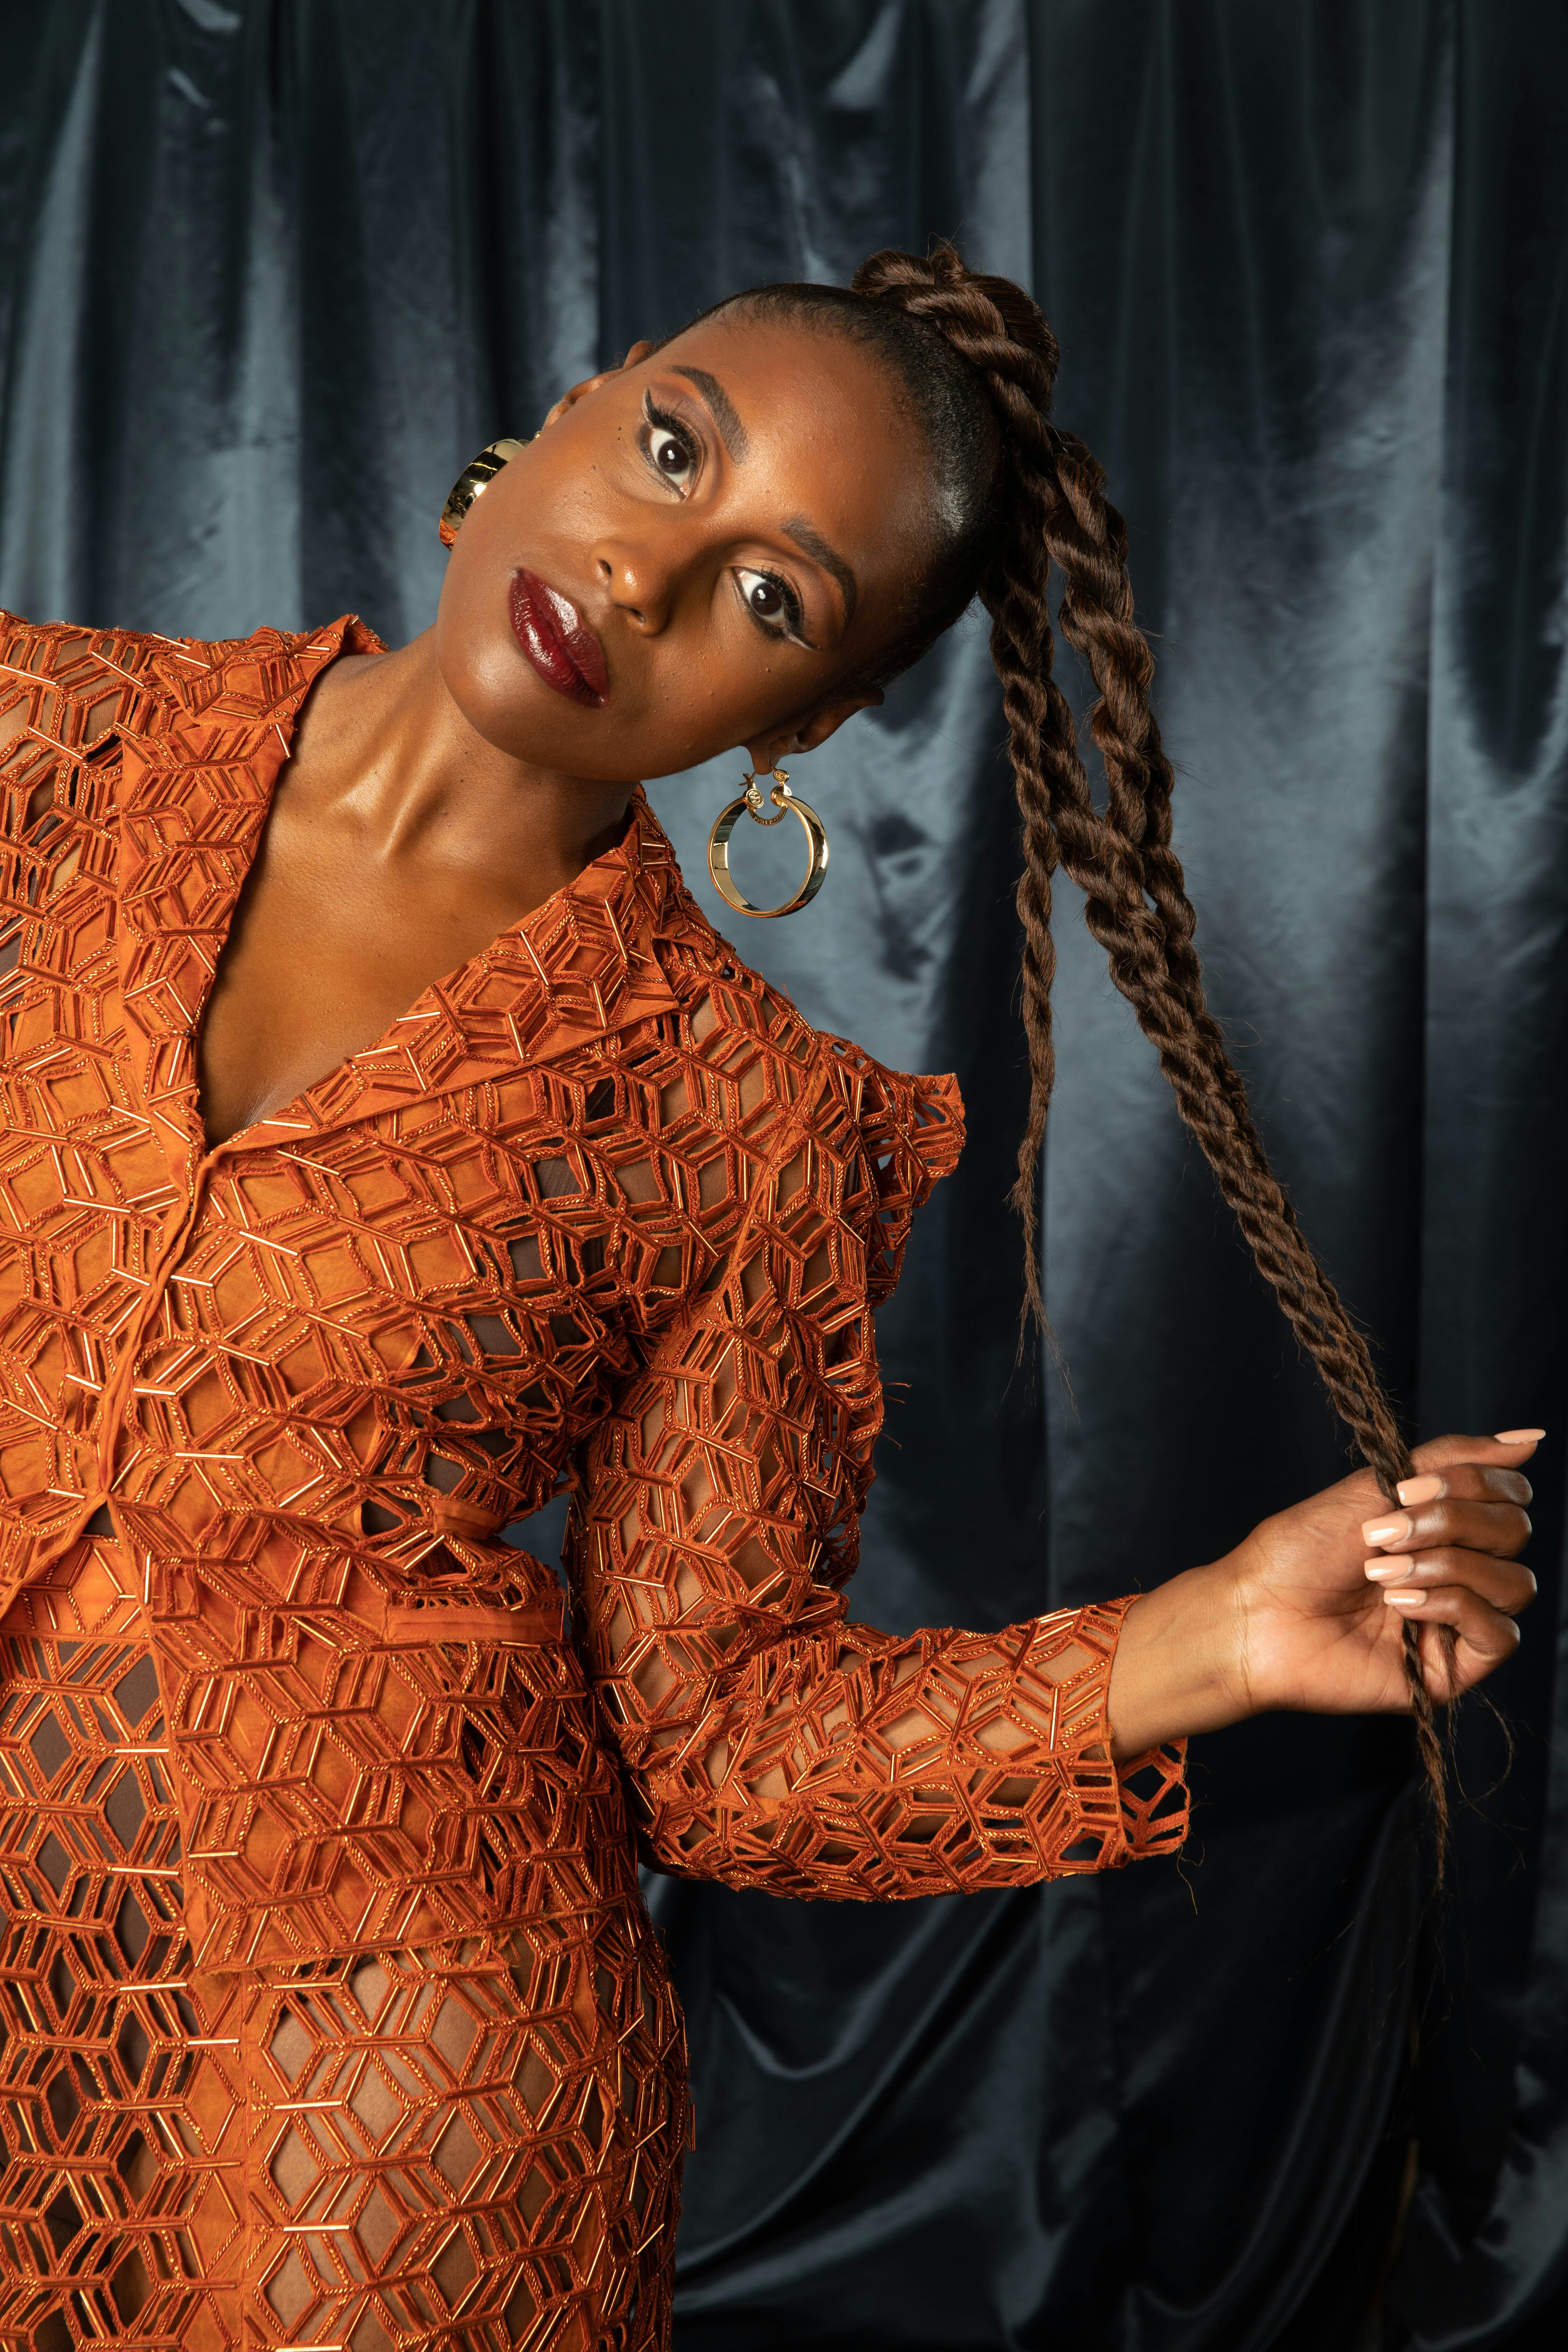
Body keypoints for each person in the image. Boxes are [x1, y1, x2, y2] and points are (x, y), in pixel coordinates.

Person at [0, 243, 1536, 2352]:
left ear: (801, 722)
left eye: (769, 594)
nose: (641, 574)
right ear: (574, 400)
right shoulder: (51, 747)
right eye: (667, 449)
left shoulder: (742, 1121)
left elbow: (725, 1748)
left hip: (373, 2080)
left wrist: (1217, 1638)